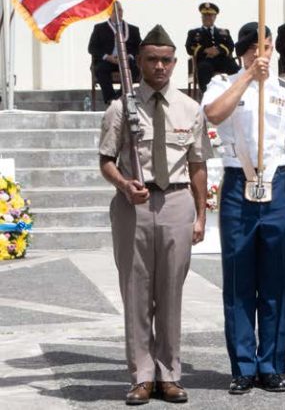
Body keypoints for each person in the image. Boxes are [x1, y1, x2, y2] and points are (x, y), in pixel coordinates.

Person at [98, 25, 208, 405]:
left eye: (166, 60)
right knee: (136, 293)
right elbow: (106, 161)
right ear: (139, 63)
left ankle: (169, 374)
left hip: (177, 202)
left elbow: (197, 165)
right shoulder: (121, 108)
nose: (160, 66)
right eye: (152, 60)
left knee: (171, 293)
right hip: (135, 207)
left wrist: (200, 217)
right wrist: (124, 185)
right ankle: (142, 376)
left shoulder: (190, 108)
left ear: (175, 63)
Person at [202, 23, 285, 394]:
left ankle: (272, 365)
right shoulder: (223, 83)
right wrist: (247, 75)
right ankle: (243, 366)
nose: (261, 54)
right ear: (242, 52)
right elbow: (213, 114)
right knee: (239, 280)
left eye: (266, 47)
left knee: (277, 281)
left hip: (277, 186)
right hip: (238, 184)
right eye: (253, 49)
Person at [89, 2, 141, 105]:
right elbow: (92, 48)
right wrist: (107, 57)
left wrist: (129, 56)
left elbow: (139, 48)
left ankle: (120, 96)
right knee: (101, 69)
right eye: (115, 11)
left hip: (126, 60)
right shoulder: (100, 28)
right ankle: (110, 99)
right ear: (109, 12)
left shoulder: (133, 29)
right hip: (109, 60)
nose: (118, 13)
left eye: (120, 10)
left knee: (135, 69)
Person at [186, 1, 240, 92]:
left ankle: (238, 92)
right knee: (204, 68)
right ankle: (206, 94)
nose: (207, 17)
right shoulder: (193, 33)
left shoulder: (224, 32)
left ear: (215, 17)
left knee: (236, 69)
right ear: (201, 17)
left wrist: (218, 50)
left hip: (222, 60)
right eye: (205, 15)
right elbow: (189, 48)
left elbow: (231, 46)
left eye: (210, 15)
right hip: (205, 60)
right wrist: (205, 50)